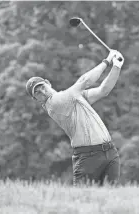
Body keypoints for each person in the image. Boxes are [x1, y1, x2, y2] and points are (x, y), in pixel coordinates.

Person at [26, 50, 124, 186]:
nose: (42, 92)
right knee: (83, 202)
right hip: (88, 158)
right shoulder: (54, 103)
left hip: (109, 153)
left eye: (41, 87)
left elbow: (103, 90)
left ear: (48, 83)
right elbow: (85, 81)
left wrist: (116, 67)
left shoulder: (71, 95)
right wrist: (107, 61)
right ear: (36, 99)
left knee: (110, 199)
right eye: (37, 93)